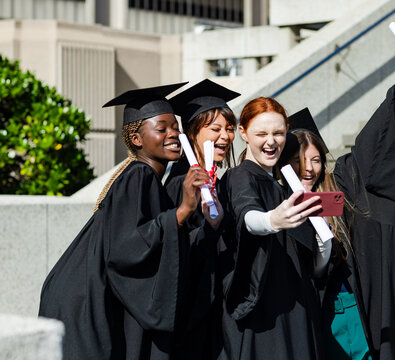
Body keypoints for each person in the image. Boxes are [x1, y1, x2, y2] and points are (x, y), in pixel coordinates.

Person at [38, 83, 223, 360]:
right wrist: (183, 211)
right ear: (137, 139)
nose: (173, 134)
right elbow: (127, 246)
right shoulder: (140, 175)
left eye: (175, 127)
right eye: (162, 128)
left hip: (81, 296)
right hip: (86, 301)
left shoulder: (142, 177)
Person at [279, 47, 395, 360]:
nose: (308, 168)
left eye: (315, 159)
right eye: (296, 160)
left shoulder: (339, 190)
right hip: (307, 315)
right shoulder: (278, 203)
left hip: (350, 310)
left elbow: (373, 149)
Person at [218, 97, 327, 360]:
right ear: (243, 133)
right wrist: (271, 221)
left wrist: (324, 244)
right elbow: (248, 215)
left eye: (278, 133)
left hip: (292, 306)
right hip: (264, 316)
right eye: (261, 133)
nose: (271, 141)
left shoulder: (280, 184)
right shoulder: (240, 176)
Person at [165, 79, 240, 359]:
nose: (225, 136)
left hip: (216, 306)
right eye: (216, 129)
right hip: (192, 309)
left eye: (230, 129)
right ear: (193, 132)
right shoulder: (180, 183)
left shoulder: (215, 180)